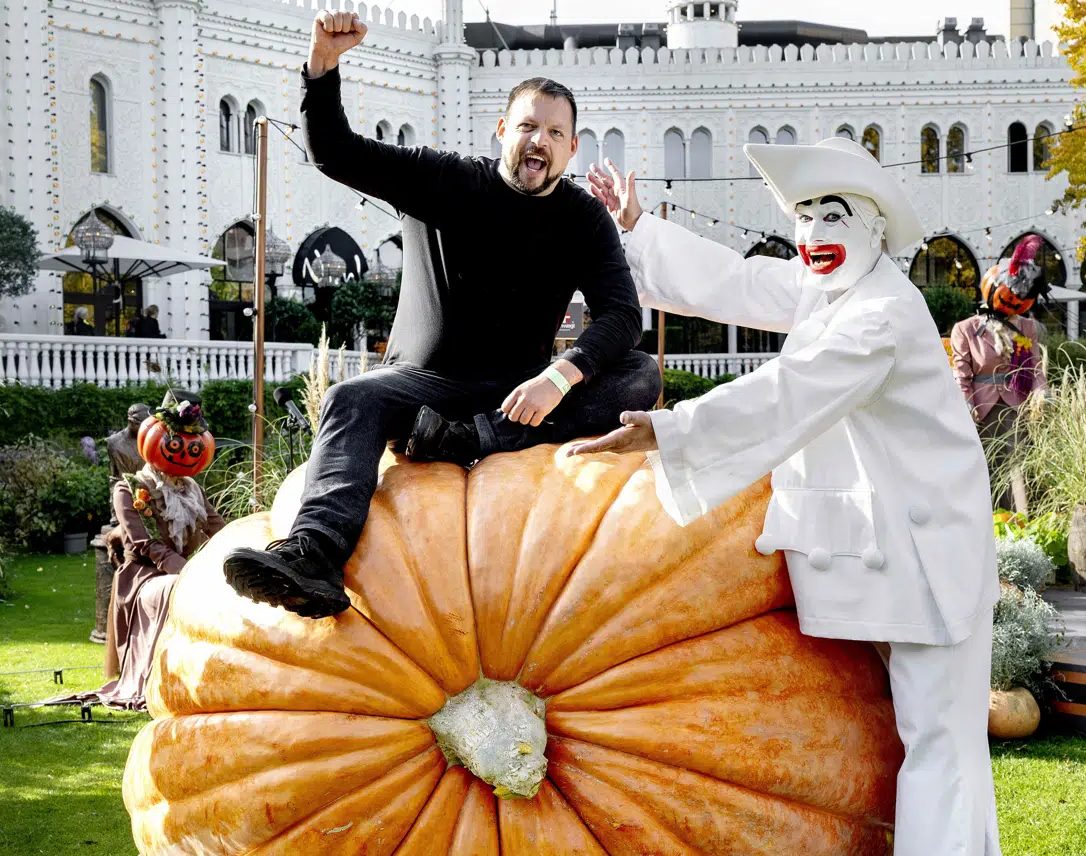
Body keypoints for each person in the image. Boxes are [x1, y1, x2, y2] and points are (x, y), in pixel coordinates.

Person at [574, 141, 1010, 856]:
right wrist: (639, 227)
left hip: (931, 551)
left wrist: (671, 429)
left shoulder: (881, 313)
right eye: (805, 215)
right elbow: (740, 282)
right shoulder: (830, 290)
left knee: (939, 737)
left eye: (832, 215)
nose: (813, 231)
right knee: (942, 732)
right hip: (891, 550)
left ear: (876, 230)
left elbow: (792, 391)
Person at [221, 9, 660, 618]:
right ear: (502, 128)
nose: (541, 142)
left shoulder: (582, 219)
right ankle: (313, 556)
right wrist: (322, 66)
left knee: (641, 375)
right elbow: (335, 151)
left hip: (517, 398)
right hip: (424, 391)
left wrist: (561, 375)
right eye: (529, 126)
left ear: (572, 147)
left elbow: (622, 314)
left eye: (556, 134)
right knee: (352, 398)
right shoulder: (445, 179)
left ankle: (471, 440)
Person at [68, 391, 225, 709]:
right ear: (154, 441)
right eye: (176, 444)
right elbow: (144, 544)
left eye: (193, 447)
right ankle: (158, 679)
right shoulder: (129, 488)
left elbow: (218, 525)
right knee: (172, 589)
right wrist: (187, 570)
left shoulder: (192, 489)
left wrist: (243, 547)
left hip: (182, 568)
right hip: (142, 575)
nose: (185, 453)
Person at [949, 237, 1049, 512]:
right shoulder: (966, 329)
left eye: (1022, 297)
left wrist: (1042, 393)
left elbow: (1033, 367)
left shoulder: (1026, 327)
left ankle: (1023, 522)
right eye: (1009, 294)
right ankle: (984, 522)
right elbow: (961, 374)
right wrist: (966, 405)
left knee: (1018, 465)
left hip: (1016, 405)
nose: (1014, 301)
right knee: (983, 467)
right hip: (980, 409)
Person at [105, 402, 152, 481]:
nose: (147, 429)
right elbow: (118, 476)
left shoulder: (149, 439)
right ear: (131, 422)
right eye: (143, 425)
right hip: (124, 488)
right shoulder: (114, 443)